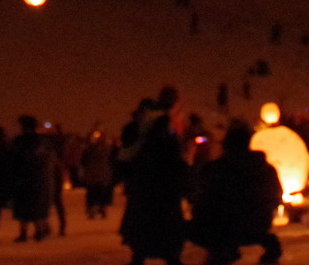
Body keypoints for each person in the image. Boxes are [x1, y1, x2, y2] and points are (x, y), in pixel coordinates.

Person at [188, 122, 282, 264]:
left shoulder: (215, 170)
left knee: (190, 227)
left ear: (226, 146)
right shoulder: (265, 170)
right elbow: (276, 197)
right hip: (257, 225)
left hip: (221, 227)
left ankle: (221, 253)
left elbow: (200, 198)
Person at [118, 89, 187, 265]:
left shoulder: (136, 130)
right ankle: (171, 257)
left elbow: (124, 158)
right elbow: (174, 161)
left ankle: (139, 256)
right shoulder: (165, 132)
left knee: (142, 230)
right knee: (166, 231)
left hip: (142, 188)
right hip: (164, 191)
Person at [8, 116, 57, 241]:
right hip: (37, 179)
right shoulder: (41, 141)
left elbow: (15, 159)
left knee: (26, 206)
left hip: (26, 178)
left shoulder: (20, 141)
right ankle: (38, 230)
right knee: (35, 206)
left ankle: (27, 232)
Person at [80, 128, 116, 218]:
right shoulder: (108, 149)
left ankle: (92, 210)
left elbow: (84, 160)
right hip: (104, 174)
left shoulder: (91, 149)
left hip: (92, 174)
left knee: (92, 192)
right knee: (102, 192)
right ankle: (102, 209)